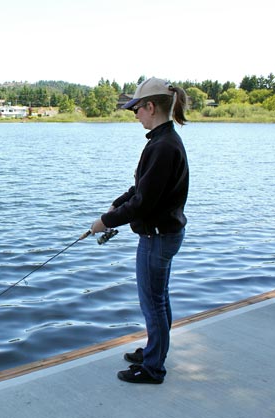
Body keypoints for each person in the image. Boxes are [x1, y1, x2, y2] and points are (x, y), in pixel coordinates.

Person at [90, 77, 189, 384]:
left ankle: (153, 368)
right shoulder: (162, 141)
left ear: (150, 107)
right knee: (159, 298)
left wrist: (104, 223)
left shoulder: (162, 146)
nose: (134, 115)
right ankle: (154, 351)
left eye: (136, 109)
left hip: (157, 236)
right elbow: (141, 188)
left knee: (153, 302)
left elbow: (143, 203)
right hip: (163, 234)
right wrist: (116, 203)